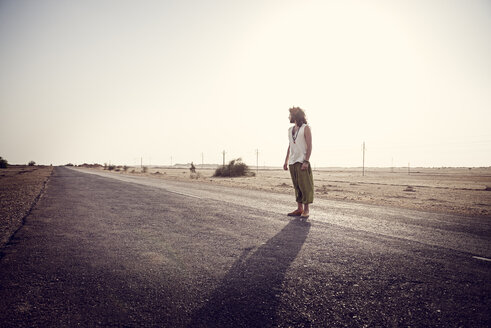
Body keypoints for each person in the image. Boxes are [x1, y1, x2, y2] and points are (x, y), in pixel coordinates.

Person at [283, 107, 314, 219]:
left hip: (302, 161)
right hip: (292, 162)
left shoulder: (306, 128)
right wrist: (286, 161)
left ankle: (306, 210)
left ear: (295, 116)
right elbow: (290, 146)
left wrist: (306, 161)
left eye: (290, 115)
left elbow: (310, 145)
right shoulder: (290, 130)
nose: (288, 117)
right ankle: (299, 208)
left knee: (305, 186)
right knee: (297, 187)